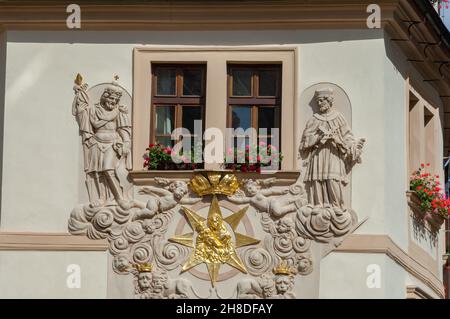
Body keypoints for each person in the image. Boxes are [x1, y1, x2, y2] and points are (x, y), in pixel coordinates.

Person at [72, 77, 132, 209]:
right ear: (105, 97)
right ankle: (102, 198)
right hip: (96, 143)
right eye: (111, 99)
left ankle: (120, 198)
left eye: (115, 100)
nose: (113, 102)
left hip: (112, 143)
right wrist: (79, 97)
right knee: (97, 172)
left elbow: (123, 128)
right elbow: (82, 115)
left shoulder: (119, 111)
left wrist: (126, 142)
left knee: (108, 169)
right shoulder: (93, 110)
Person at [299, 88, 365, 208]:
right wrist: (318, 137)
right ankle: (318, 205)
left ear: (329, 101)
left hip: (334, 154)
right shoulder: (314, 119)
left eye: (321, 101)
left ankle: (336, 206)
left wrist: (339, 141)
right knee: (318, 180)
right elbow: (305, 140)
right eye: (318, 101)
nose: (319, 104)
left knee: (332, 180)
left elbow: (348, 137)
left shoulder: (338, 117)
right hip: (318, 155)